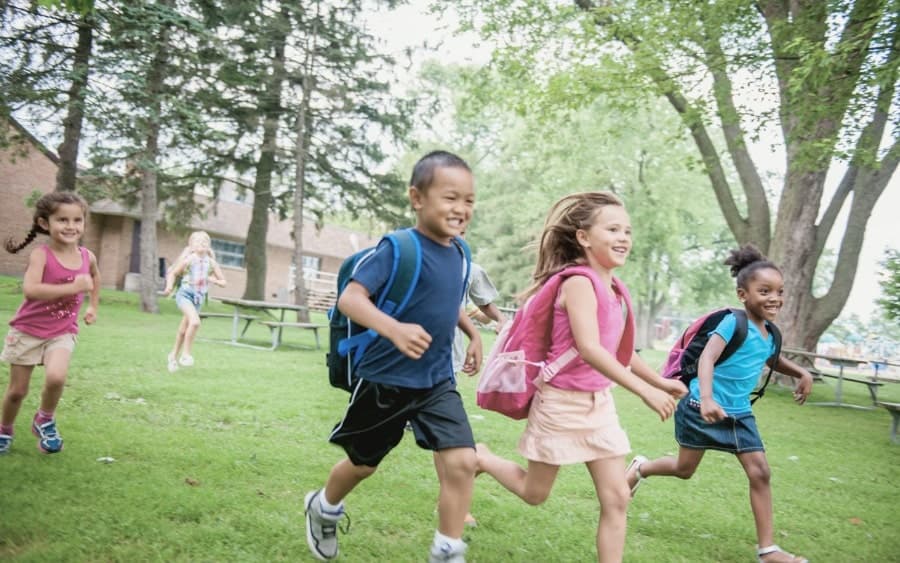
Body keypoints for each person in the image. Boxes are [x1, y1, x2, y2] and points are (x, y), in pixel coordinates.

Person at [474, 191, 686, 563]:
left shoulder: (615, 289)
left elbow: (620, 352)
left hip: (598, 405)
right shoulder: (578, 283)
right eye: (613, 229)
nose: (624, 238)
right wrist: (643, 393)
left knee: (617, 496)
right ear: (584, 237)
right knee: (535, 493)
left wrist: (659, 382)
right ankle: (482, 458)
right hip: (561, 404)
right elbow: (590, 348)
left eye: (628, 231)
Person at [304, 150, 482, 563]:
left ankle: (447, 550)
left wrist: (471, 331)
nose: (461, 209)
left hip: (437, 380)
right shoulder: (397, 248)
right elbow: (351, 299)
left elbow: (448, 300)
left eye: (469, 201)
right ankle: (324, 507)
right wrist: (394, 329)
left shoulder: (460, 253)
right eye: (450, 197)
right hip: (386, 378)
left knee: (462, 460)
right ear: (417, 198)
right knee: (363, 464)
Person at [625, 244, 813, 563]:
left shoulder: (770, 333)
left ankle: (767, 550)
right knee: (685, 470)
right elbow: (707, 360)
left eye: (779, 291)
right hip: (700, 406)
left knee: (761, 473)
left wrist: (800, 371)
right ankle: (641, 468)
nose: (774, 298)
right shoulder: (731, 322)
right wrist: (708, 399)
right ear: (743, 294)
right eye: (764, 290)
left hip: (739, 414)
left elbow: (771, 359)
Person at [0, 191, 100, 455]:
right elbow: (30, 290)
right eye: (62, 220)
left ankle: (44, 418)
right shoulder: (41, 255)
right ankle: (4, 430)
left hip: (62, 330)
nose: (71, 226)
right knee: (17, 392)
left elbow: (94, 277)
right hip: (28, 331)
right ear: (45, 224)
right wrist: (73, 289)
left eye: (77, 220)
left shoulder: (87, 256)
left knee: (56, 377)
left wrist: (92, 305)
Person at [162, 231, 226, 373]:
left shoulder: (211, 263)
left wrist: (213, 280)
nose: (201, 244)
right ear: (191, 246)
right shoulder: (189, 260)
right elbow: (173, 273)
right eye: (197, 242)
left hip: (198, 299)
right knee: (195, 322)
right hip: (185, 295)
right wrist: (169, 287)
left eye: (204, 242)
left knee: (184, 329)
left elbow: (223, 282)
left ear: (209, 246)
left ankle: (172, 356)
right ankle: (186, 355)